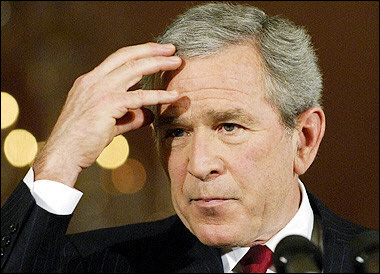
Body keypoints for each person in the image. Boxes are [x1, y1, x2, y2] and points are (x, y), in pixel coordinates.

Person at [1, 2, 376, 273]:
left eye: (229, 127)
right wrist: (60, 158)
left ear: (305, 138)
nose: (198, 165)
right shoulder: (99, 264)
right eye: (176, 132)